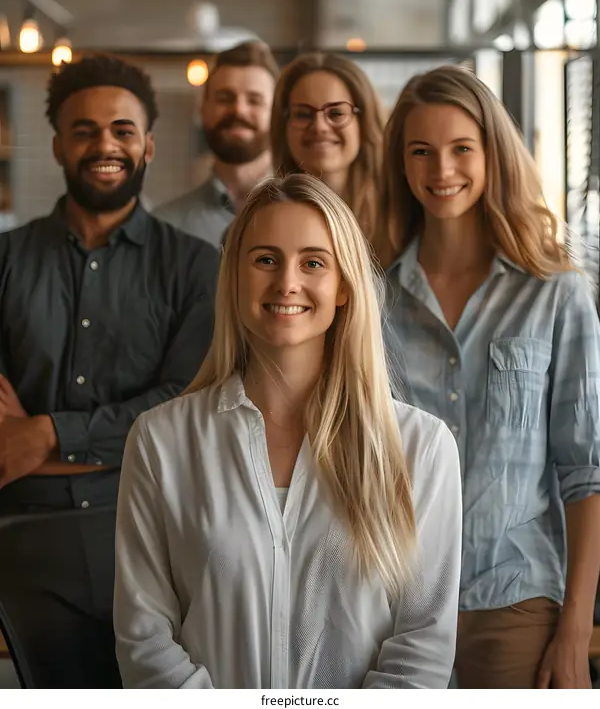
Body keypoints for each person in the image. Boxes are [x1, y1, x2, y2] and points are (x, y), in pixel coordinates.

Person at [114, 174, 462, 689]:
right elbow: (144, 638)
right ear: (235, 276)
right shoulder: (159, 442)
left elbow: (423, 644)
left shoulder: (421, 448)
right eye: (265, 260)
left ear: (344, 286)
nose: (287, 283)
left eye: (313, 262)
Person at [0, 54, 219, 687]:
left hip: (152, 530)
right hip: (21, 537)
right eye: (85, 130)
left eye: (122, 130)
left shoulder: (196, 269)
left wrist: (45, 436)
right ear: (57, 146)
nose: (105, 145)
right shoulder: (7, 260)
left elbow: (183, 409)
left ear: (147, 145)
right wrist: (111, 444)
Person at [380, 64, 600, 689]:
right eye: (421, 151)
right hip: (392, 603)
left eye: (460, 149)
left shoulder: (555, 295)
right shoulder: (372, 300)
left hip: (516, 602)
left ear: (492, 155)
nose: (440, 169)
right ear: (401, 163)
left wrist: (574, 630)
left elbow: (587, 470)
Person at [155, 40, 277, 246]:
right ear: (203, 110)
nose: (239, 110)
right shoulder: (164, 228)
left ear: (277, 115)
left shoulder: (312, 216)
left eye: (254, 100)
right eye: (224, 98)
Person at [270, 52, 385, 248]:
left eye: (336, 113)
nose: (320, 127)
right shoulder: (260, 224)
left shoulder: (400, 222)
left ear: (364, 122)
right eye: (303, 114)